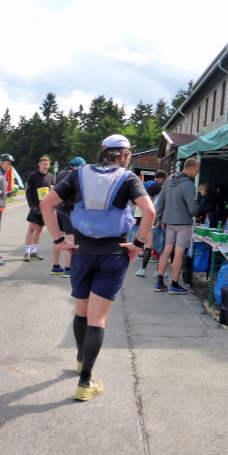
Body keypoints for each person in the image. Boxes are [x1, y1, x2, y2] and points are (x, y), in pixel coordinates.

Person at [39, 134, 154, 402]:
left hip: (81, 251)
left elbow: (46, 204)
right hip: (113, 253)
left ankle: (81, 359)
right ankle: (85, 381)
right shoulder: (128, 178)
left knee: (81, 312)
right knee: (97, 319)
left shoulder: (78, 174)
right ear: (124, 155)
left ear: (102, 152)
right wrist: (138, 244)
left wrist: (58, 240)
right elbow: (149, 212)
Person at [154, 158, 200, 295]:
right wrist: (197, 210)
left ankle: (159, 282)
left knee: (166, 251)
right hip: (183, 223)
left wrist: (159, 219)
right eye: (197, 170)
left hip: (169, 222)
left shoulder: (168, 181)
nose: (198, 173)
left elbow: (160, 201)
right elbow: (193, 210)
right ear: (191, 168)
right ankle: (174, 285)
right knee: (179, 253)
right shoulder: (188, 185)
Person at [50, 157, 85, 276]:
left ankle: (55, 266)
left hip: (58, 208)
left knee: (58, 238)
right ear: (78, 166)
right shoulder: (74, 174)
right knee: (71, 240)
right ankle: (68, 268)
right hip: (68, 209)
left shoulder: (61, 173)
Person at [135, 170, 168, 278]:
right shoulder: (160, 190)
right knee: (161, 246)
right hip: (159, 220)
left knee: (149, 245)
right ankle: (158, 272)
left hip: (147, 217)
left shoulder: (148, 184)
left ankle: (142, 269)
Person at [23, 156, 55, 262]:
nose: (45, 166)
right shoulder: (33, 176)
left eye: (47, 165)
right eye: (43, 164)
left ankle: (34, 251)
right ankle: (27, 252)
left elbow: (52, 191)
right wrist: (31, 205)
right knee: (31, 228)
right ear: (39, 164)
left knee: (39, 229)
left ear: (49, 166)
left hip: (45, 207)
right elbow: (28, 192)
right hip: (35, 206)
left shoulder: (50, 176)